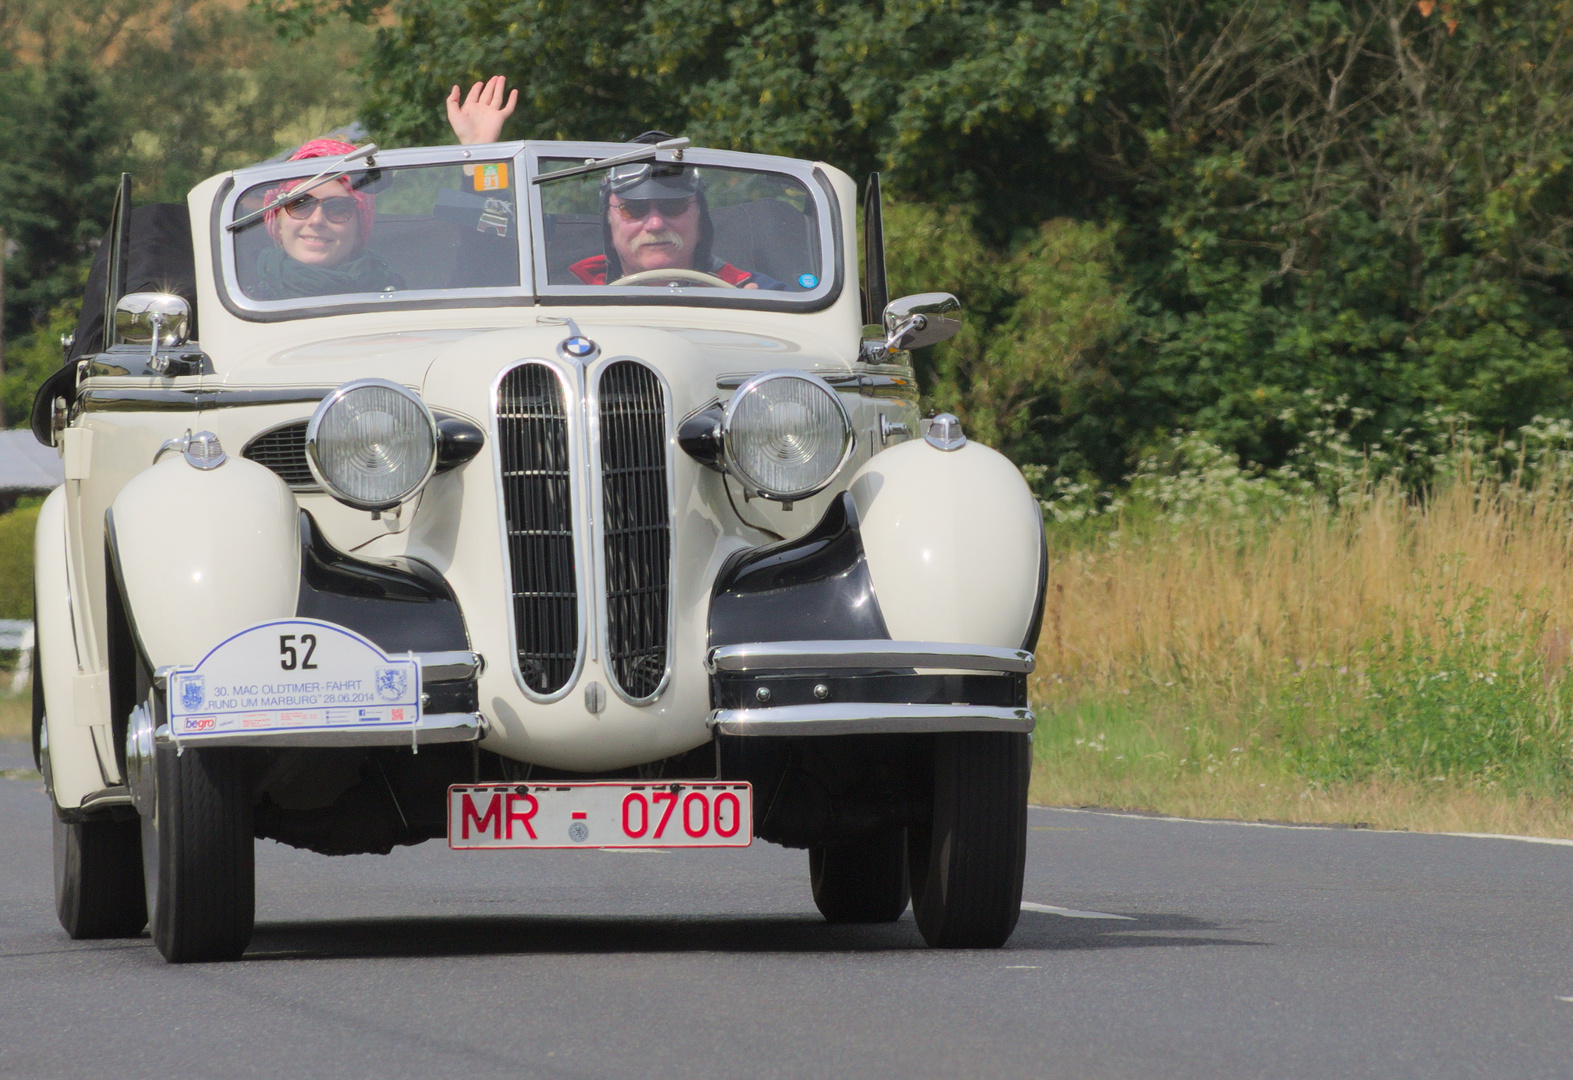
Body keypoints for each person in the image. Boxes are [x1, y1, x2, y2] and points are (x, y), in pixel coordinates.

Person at [445, 80, 781, 290]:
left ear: (700, 216)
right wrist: (483, 159)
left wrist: (764, 317)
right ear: (609, 218)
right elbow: (480, 278)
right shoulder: (567, 290)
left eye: (673, 206)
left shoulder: (751, 292)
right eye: (633, 208)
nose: (655, 223)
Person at [250, 139, 404, 300]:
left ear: (360, 228)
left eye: (338, 209)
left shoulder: (393, 294)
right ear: (278, 223)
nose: (316, 220)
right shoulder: (239, 292)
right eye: (299, 204)